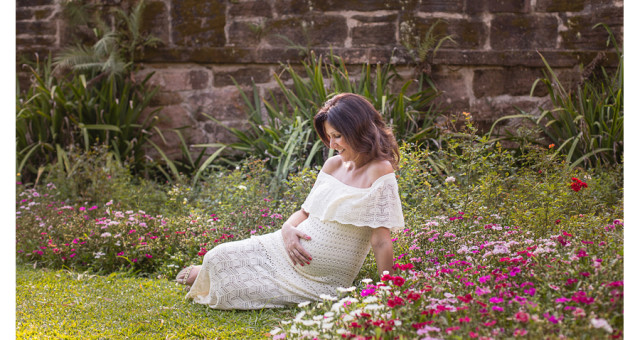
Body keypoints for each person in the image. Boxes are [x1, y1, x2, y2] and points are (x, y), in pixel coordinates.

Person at [176, 93, 405, 309]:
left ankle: (206, 273)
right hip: (281, 248)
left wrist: (389, 289)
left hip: (321, 280)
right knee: (216, 256)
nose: (331, 145)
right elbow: (305, 212)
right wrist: (287, 228)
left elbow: (381, 241)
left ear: (358, 130)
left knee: (223, 279)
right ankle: (209, 270)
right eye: (329, 136)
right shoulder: (333, 165)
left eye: (337, 136)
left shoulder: (379, 171)